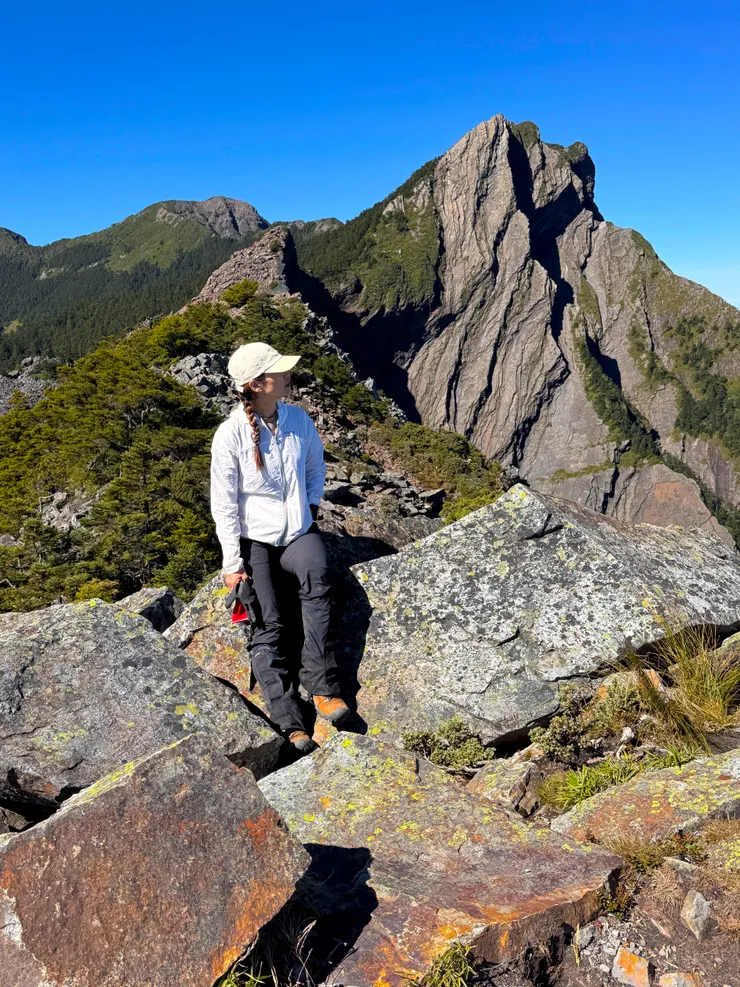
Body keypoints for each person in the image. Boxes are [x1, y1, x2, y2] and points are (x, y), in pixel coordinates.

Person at [210, 341, 350, 754]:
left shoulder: (298, 419)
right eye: (279, 371)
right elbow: (224, 502)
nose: (288, 375)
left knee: (318, 577)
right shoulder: (230, 435)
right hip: (256, 541)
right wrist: (233, 563)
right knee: (267, 624)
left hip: (297, 533)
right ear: (256, 385)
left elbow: (315, 465)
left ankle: (323, 688)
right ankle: (289, 722)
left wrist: (308, 506)